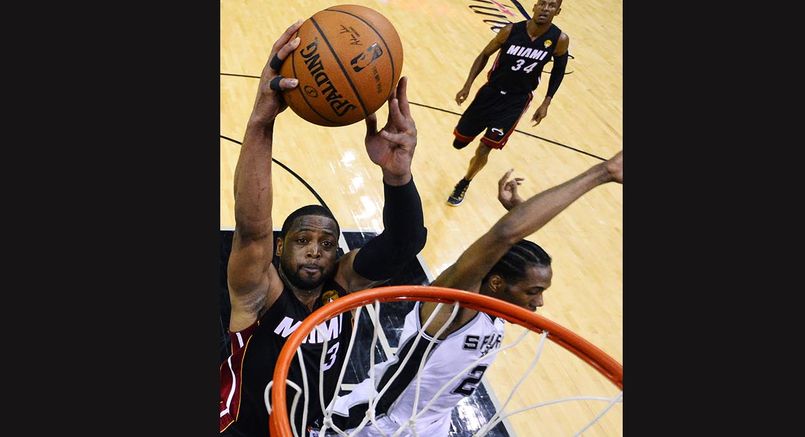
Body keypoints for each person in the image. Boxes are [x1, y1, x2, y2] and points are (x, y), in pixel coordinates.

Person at [219, 21, 428, 437]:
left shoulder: (341, 288)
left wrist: (398, 175)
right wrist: (262, 120)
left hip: (303, 428)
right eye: (302, 240)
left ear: (338, 254)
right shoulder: (260, 292)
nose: (315, 250)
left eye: (327, 243)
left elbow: (405, 242)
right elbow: (253, 226)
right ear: (280, 249)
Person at [329, 151, 623, 436]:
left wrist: (519, 213)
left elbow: (507, 250)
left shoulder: (498, 306)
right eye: (533, 292)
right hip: (376, 422)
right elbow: (503, 236)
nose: (539, 302)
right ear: (495, 284)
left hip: (432, 424)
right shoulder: (455, 306)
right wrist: (603, 172)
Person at [447, 0, 570, 206]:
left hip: (516, 101)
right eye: (542, 4)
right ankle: (465, 143)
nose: (545, 9)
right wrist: (467, 85)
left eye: (551, 6)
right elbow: (485, 54)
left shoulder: (559, 40)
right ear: (534, 6)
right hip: (490, 93)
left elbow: (558, 71)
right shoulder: (510, 31)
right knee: (459, 142)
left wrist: (546, 102)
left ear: (557, 11)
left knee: (485, 148)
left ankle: (464, 182)